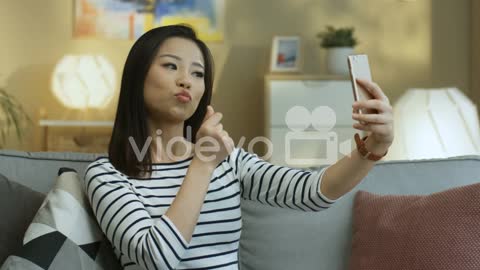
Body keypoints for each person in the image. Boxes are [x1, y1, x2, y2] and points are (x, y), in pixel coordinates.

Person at [84, 24, 394, 270]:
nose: (186, 81)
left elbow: (312, 192)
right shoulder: (108, 175)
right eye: (170, 66)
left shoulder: (228, 160)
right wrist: (202, 164)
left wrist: (373, 146)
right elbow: (156, 259)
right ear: (138, 77)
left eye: (198, 73)